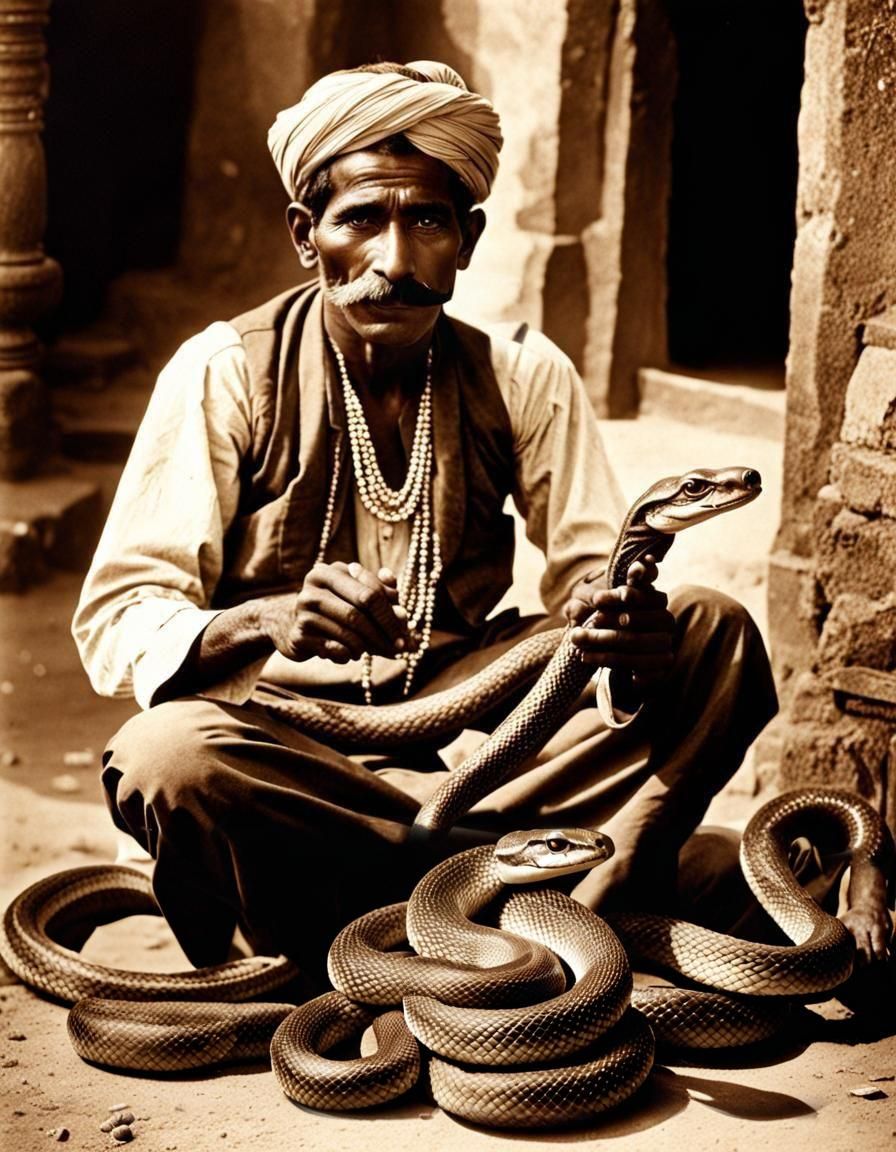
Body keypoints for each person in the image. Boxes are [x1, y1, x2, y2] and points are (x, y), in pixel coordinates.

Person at [71, 60, 886, 987]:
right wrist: (266, 619)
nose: (394, 260)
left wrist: (629, 641)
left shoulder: (524, 375)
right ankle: (533, 900)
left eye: (426, 221)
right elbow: (121, 617)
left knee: (716, 631)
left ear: (468, 237)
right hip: (299, 753)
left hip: (478, 743)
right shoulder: (222, 372)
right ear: (307, 234)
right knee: (165, 755)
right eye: (361, 220)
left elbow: (587, 583)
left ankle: (448, 909)